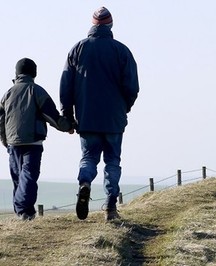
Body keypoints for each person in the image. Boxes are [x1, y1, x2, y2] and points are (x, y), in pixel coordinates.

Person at [60, 7, 140, 221]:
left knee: (88, 158)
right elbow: (132, 86)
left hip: (87, 117)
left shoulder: (77, 49)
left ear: (93, 25)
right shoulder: (122, 51)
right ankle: (110, 206)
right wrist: (125, 107)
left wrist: (67, 116)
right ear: (110, 25)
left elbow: (66, 86)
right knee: (112, 161)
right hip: (114, 118)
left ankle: (85, 183)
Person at [0, 58, 72, 221]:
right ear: (34, 73)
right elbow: (51, 116)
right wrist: (67, 126)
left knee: (19, 178)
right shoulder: (37, 91)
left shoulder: (7, 94)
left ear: (17, 73)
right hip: (32, 142)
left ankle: (24, 212)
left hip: (12, 144)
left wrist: (5, 141)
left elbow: (0, 121)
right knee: (28, 177)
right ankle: (24, 211)